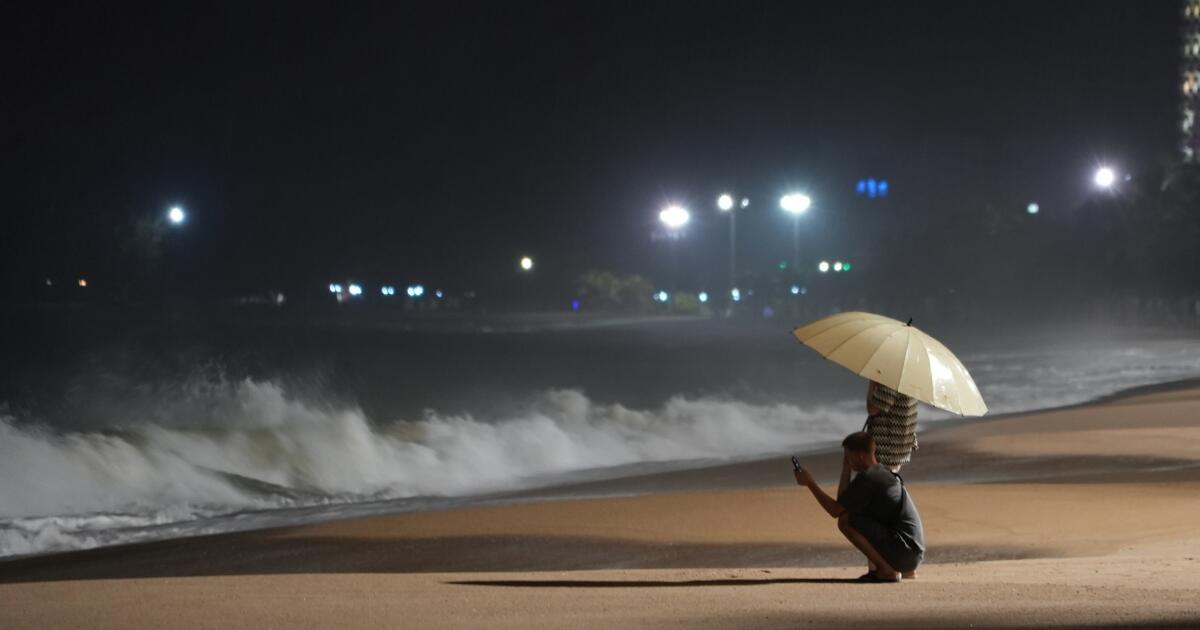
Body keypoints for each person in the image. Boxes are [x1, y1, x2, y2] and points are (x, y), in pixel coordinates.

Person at [792, 431, 924, 582]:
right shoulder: (880, 472)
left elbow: (835, 510)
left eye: (848, 456)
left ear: (860, 456)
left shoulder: (868, 479)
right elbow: (843, 502)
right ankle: (890, 568)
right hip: (911, 553)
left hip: (905, 553)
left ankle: (886, 570)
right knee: (850, 515)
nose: (846, 459)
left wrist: (810, 483)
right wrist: (846, 468)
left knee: (845, 520)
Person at [865, 381, 919, 472]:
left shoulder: (891, 379)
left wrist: (872, 385)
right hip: (900, 444)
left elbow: (872, 409)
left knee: (879, 481)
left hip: (886, 447)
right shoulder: (909, 377)